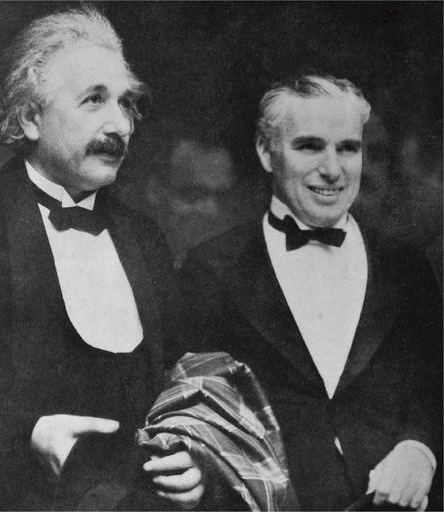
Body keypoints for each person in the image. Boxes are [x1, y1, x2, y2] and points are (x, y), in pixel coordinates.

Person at [0, 6, 204, 510]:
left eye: (126, 103)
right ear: (29, 118)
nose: (120, 125)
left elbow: (183, 388)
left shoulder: (146, 239)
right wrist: (29, 434)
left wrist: (193, 458)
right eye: (94, 100)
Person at [180, 74, 442, 511]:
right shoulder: (211, 269)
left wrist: (421, 448)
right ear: (266, 151)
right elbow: (193, 413)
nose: (333, 169)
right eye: (309, 147)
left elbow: (435, 385)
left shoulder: (406, 266)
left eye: (348, 148)